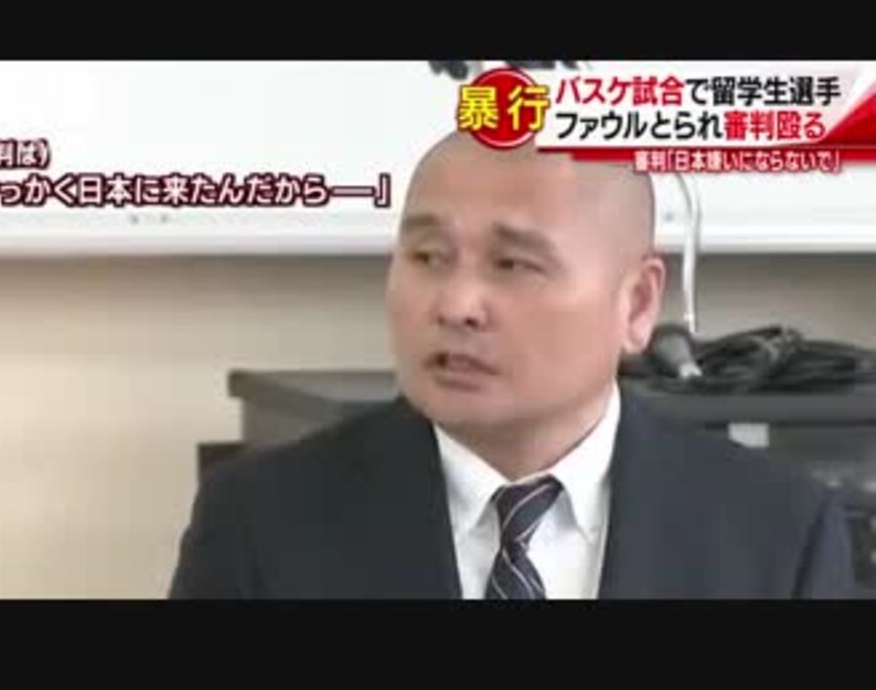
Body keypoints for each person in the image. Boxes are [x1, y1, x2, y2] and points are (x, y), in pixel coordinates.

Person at [169, 131, 856, 599]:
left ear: (637, 303)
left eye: (513, 264)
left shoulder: (778, 532)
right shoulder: (260, 523)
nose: (456, 304)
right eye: (428, 257)